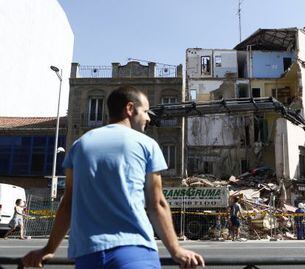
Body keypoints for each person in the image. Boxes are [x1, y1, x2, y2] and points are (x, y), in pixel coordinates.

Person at [22, 86, 204, 268]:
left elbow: (68, 203)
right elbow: (157, 204)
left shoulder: (80, 145)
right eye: (146, 112)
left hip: (88, 255)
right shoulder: (147, 145)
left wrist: (49, 249)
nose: (148, 118)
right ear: (130, 109)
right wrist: (176, 250)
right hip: (134, 250)